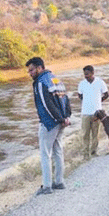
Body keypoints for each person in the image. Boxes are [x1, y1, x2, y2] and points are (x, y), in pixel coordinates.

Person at [26, 57, 71, 195]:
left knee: (45, 154)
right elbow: (65, 98)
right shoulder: (55, 78)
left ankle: (46, 186)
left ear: (40, 68)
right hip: (61, 122)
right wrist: (66, 117)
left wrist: (59, 118)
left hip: (49, 123)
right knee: (58, 151)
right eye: (28, 71)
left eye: (32, 70)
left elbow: (47, 104)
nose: (30, 73)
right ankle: (59, 182)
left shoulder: (40, 82)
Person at [77, 65, 109, 159]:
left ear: (93, 73)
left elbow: (107, 94)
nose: (86, 76)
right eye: (84, 74)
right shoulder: (82, 84)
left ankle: (94, 152)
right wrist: (87, 101)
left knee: (95, 134)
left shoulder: (100, 82)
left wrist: (99, 101)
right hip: (85, 113)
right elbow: (80, 95)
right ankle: (85, 155)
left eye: (88, 74)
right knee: (85, 135)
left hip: (97, 113)